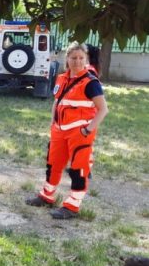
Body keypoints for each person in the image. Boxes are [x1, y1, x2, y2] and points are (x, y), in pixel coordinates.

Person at [25, 41, 109, 219]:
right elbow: (57, 101)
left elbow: (103, 109)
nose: (77, 61)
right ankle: (47, 196)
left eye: (81, 58)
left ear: (86, 59)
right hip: (59, 131)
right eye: (73, 58)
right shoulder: (62, 78)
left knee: (78, 170)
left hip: (79, 133)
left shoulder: (90, 82)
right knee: (53, 164)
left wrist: (87, 130)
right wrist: (53, 123)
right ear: (67, 59)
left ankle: (72, 206)